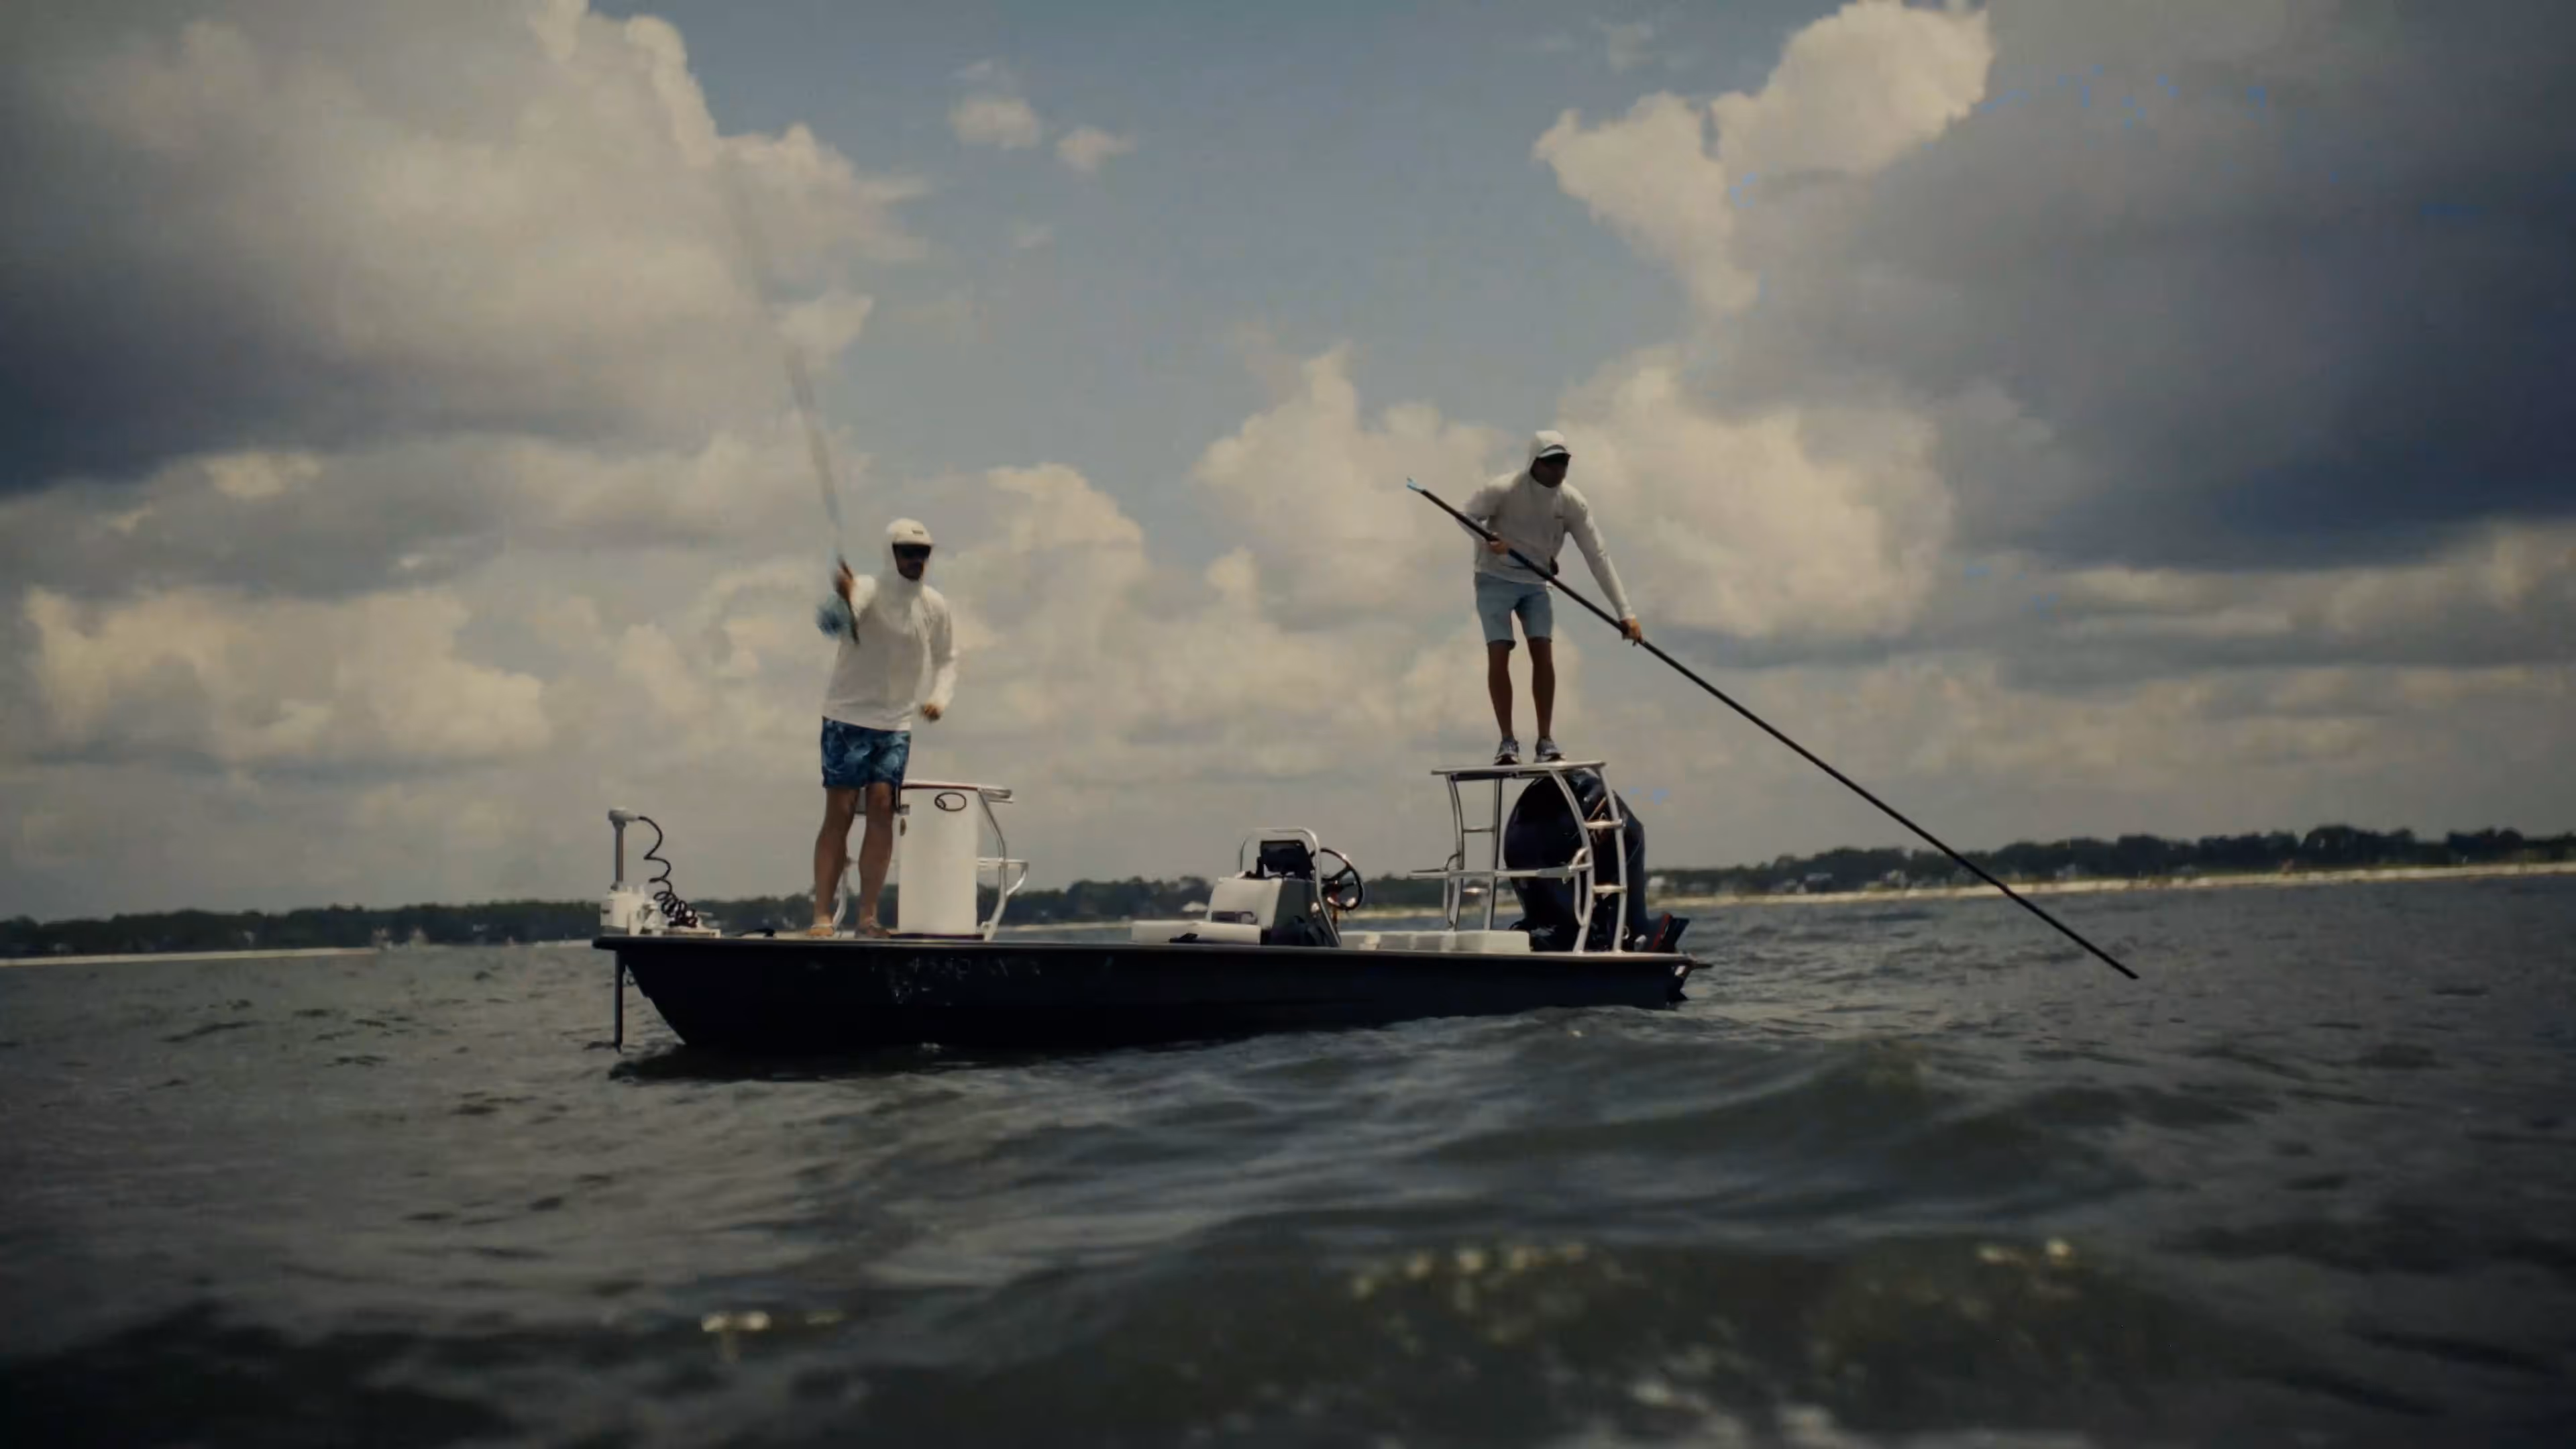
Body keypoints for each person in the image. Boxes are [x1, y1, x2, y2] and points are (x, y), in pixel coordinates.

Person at [809, 518, 957, 937]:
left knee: (881, 810)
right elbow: (831, 624)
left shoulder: (934, 605)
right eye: (908, 552)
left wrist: (939, 698)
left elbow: (948, 659)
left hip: (895, 724)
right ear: (890, 553)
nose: (917, 560)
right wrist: (841, 597)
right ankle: (822, 915)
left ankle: (867, 918)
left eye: (924, 553)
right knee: (839, 812)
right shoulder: (869, 589)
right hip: (846, 716)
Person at [1459, 431, 1642, 765]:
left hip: (1536, 582)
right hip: (1494, 579)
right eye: (1551, 462)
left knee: (1542, 651)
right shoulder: (1504, 489)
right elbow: (1466, 515)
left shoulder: (1571, 502)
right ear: (1534, 463)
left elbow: (1597, 555)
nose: (1558, 469)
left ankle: (1545, 740)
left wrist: (1625, 613)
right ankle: (1507, 742)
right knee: (1499, 652)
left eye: (1564, 462)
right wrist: (1487, 539)